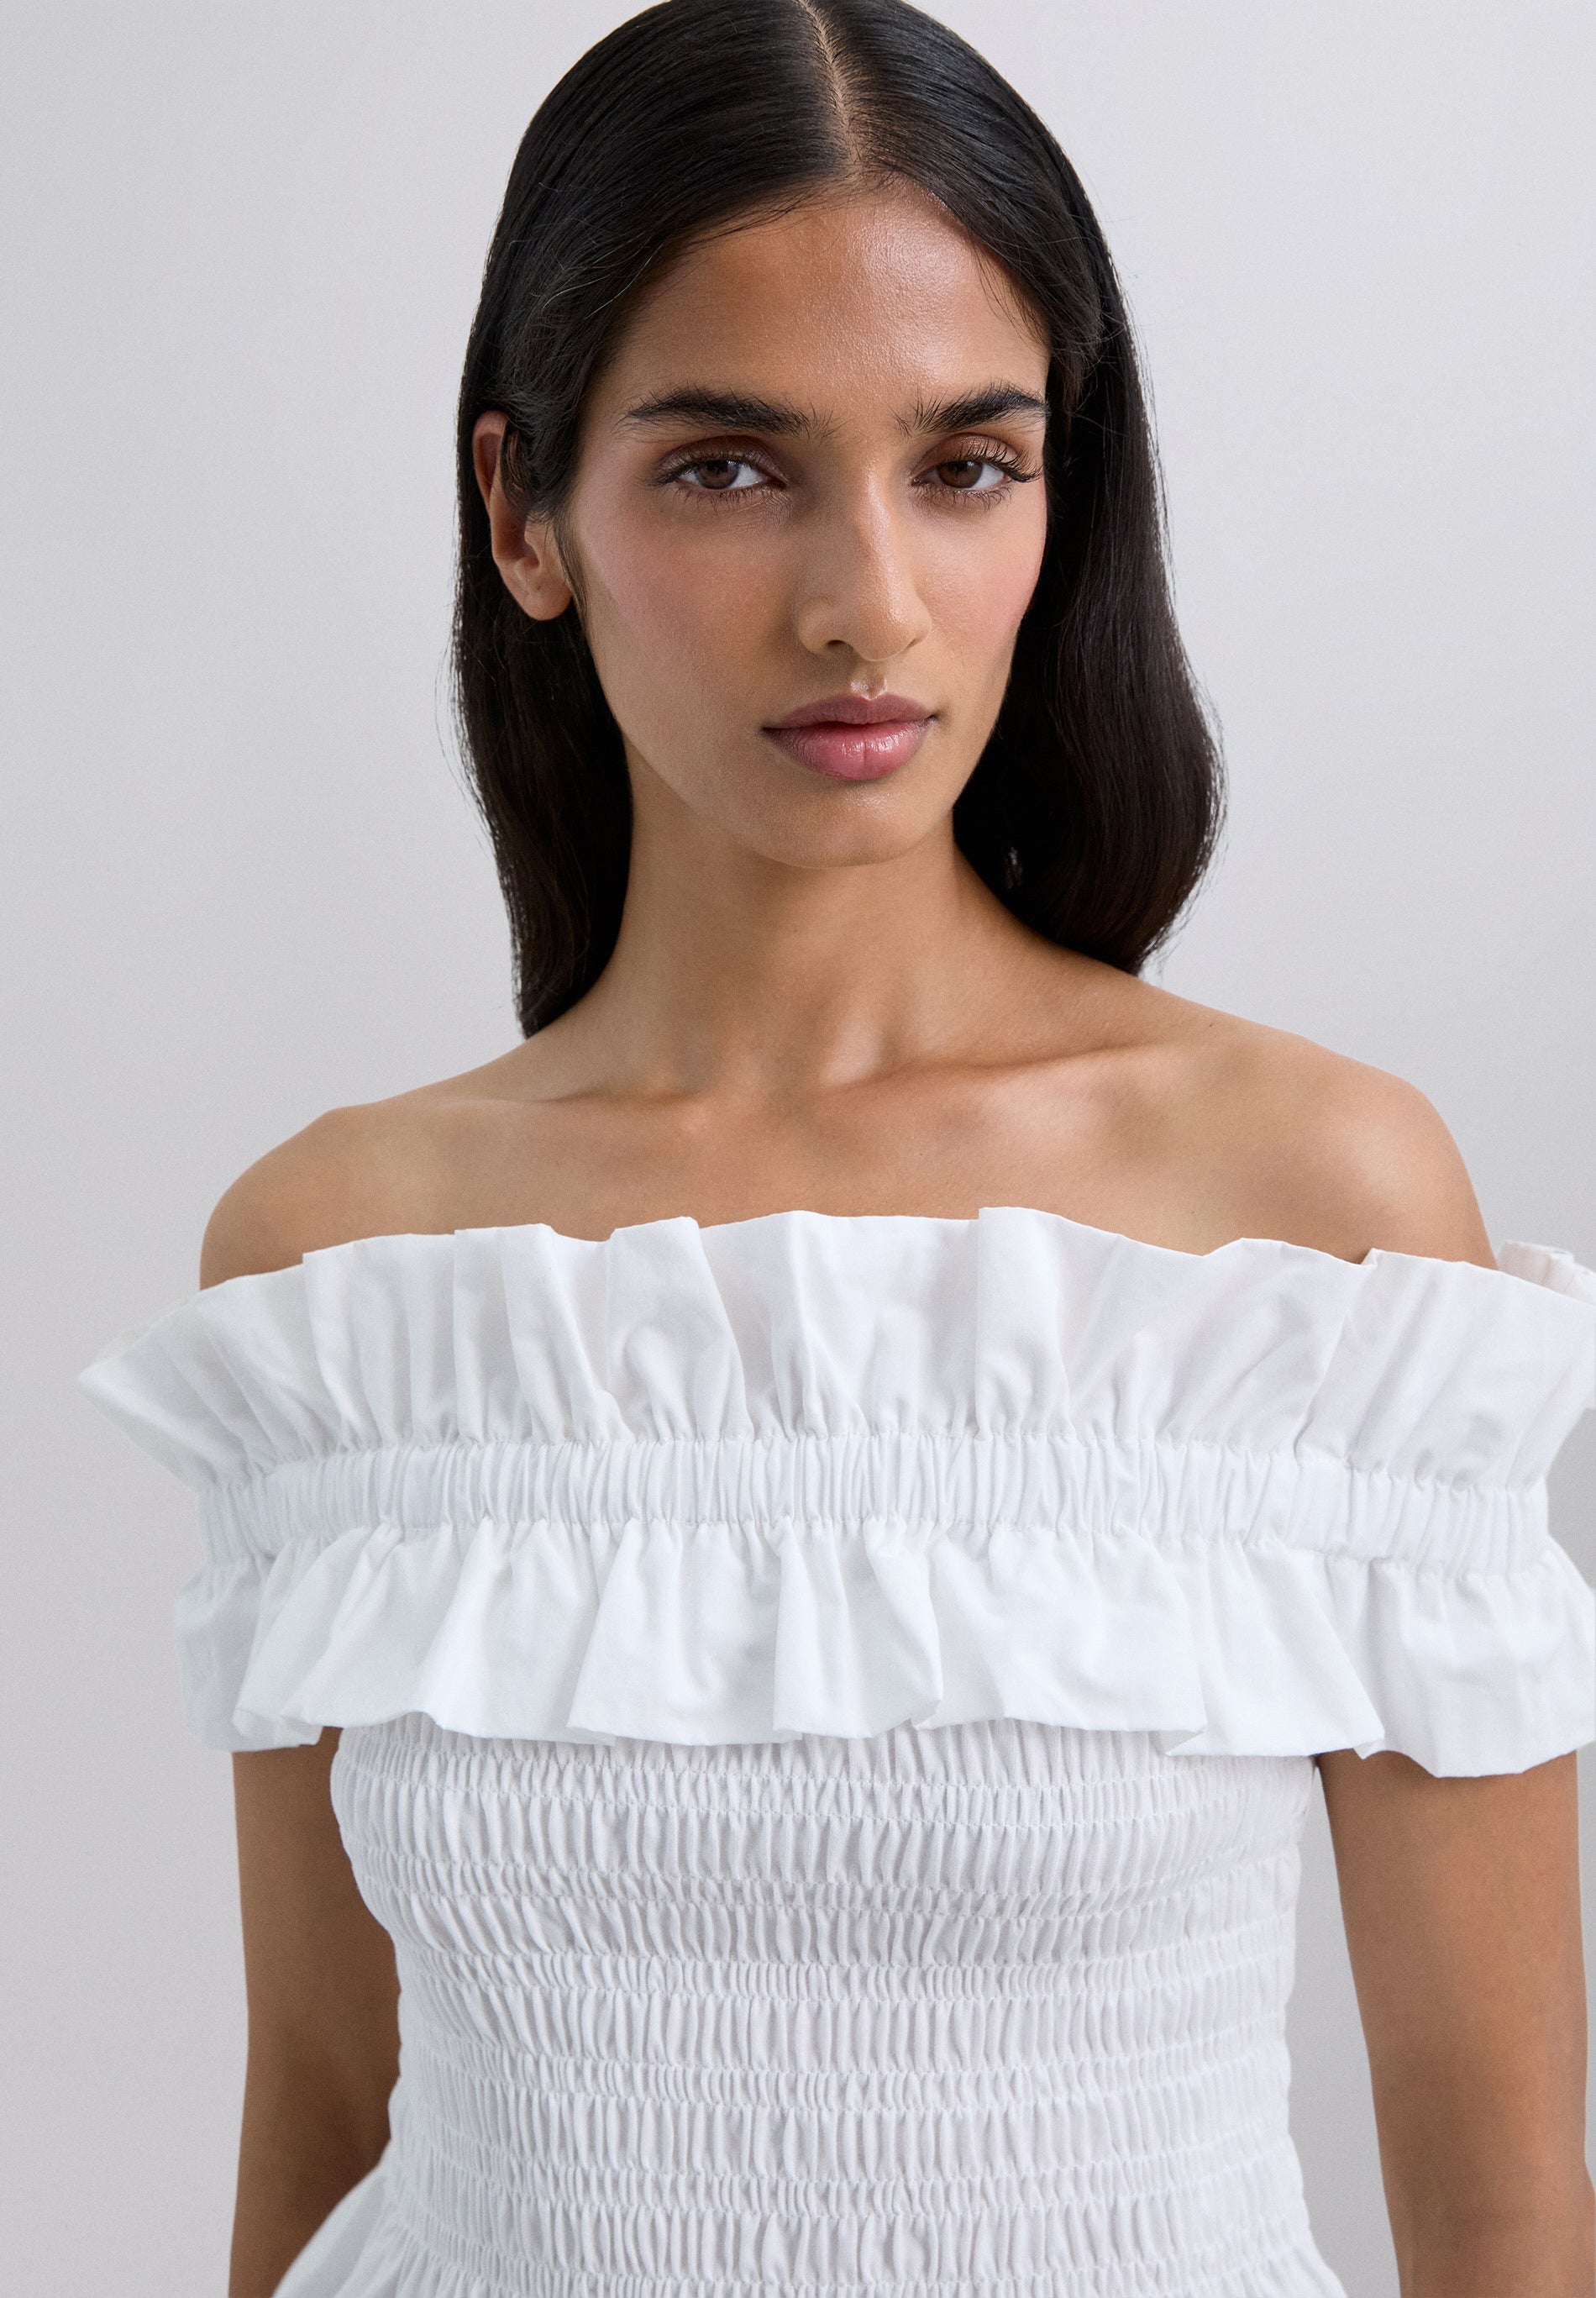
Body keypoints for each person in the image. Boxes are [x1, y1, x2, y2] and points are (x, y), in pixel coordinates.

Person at [79, 3, 1594, 2294]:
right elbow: (318, 2110)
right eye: (727, 467)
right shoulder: (348, 1275)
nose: (865, 602)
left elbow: (1498, 2209)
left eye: (964, 464)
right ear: (521, 514)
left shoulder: (1311, 1225)